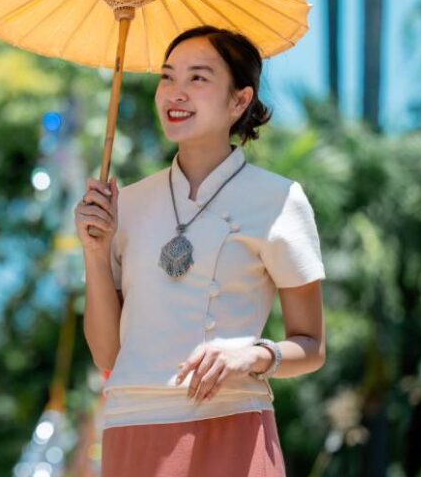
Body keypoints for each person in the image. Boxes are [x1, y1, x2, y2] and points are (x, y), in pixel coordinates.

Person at [74, 26, 326, 476]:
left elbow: (312, 346)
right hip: (133, 428)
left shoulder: (279, 200)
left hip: (230, 425)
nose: (176, 92)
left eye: (198, 78)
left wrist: (253, 354)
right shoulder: (123, 206)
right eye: (168, 77)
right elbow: (108, 356)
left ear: (239, 101)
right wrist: (95, 252)